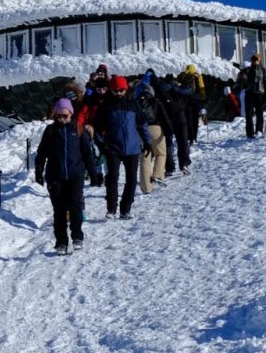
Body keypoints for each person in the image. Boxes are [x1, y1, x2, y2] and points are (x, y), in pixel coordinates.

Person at [34, 98, 100, 255]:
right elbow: (41, 153)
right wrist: (38, 171)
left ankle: (77, 236)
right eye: (59, 116)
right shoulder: (50, 131)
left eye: (65, 115)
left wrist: (93, 173)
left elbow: (86, 153)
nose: (62, 119)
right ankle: (61, 242)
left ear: (71, 113)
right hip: (55, 176)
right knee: (59, 210)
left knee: (76, 206)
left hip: (75, 174)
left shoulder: (77, 129)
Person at [96, 75, 145, 219]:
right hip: (113, 148)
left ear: (126, 89)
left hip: (132, 148)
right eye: (115, 90)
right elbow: (97, 127)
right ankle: (111, 209)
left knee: (131, 180)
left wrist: (147, 142)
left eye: (121, 90)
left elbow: (142, 124)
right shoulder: (106, 106)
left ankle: (125, 209)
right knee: (112, 178)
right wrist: (102, 144)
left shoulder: (133, 104)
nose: (118, 93)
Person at [136, 80, 171, 193]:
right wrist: (169, 130)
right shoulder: (156, 102)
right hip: (155, 128)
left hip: (140, 130)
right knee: (161, 154)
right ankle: (157, 174)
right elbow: (165, 117)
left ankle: (146, 187)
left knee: (145, 158)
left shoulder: (136, 103)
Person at [240, 54, 266, 138]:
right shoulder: (248, 70)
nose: (255, 60)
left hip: (259, 93)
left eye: (256, 59)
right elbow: (243, 81)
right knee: (248, 114)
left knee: (259, 113)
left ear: (260, 59)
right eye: (253, 59)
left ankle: (259, 130)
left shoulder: (263, 70)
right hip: (249, 93)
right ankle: (250, 133)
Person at [178, 64, 205, 143]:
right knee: (195, 120)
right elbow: (201, 87)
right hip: (196, 100)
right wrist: (203, 99)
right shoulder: (198, 76)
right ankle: (195, 137)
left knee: (188, 119)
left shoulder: (185, 75)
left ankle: (190, 137)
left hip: (187, 100)